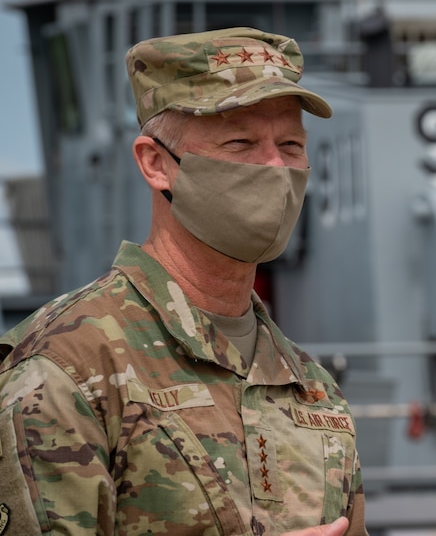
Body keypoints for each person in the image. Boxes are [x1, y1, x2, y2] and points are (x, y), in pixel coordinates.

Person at [0, 27, 367, 536]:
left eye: (290, 145)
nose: (275, 169)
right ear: (157, 164)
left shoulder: (311, 389)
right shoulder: (67, 370)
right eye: (240, 143)